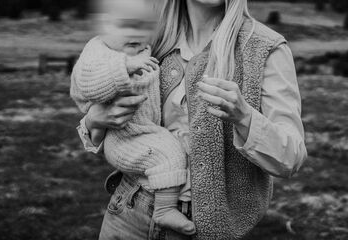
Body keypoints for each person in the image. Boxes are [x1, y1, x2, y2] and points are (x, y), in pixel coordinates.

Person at [77, 0, 308, 239]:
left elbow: (291, 157)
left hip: (204, 229)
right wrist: (95, 120)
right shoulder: (150, 37)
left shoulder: (264, 48)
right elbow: (100, 89)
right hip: (129, 211)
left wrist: (245, 117)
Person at [71, 0, 195, 235]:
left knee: (168, 149)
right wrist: (127, 65)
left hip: (145, 131)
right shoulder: (99, 50)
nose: (135, 34)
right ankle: (165, 209)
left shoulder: (144, 47)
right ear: (105, 26)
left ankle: (163, 207)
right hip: (126, 140)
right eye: (126, 26)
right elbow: (88, 84)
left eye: (142, 27)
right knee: (167, 153)